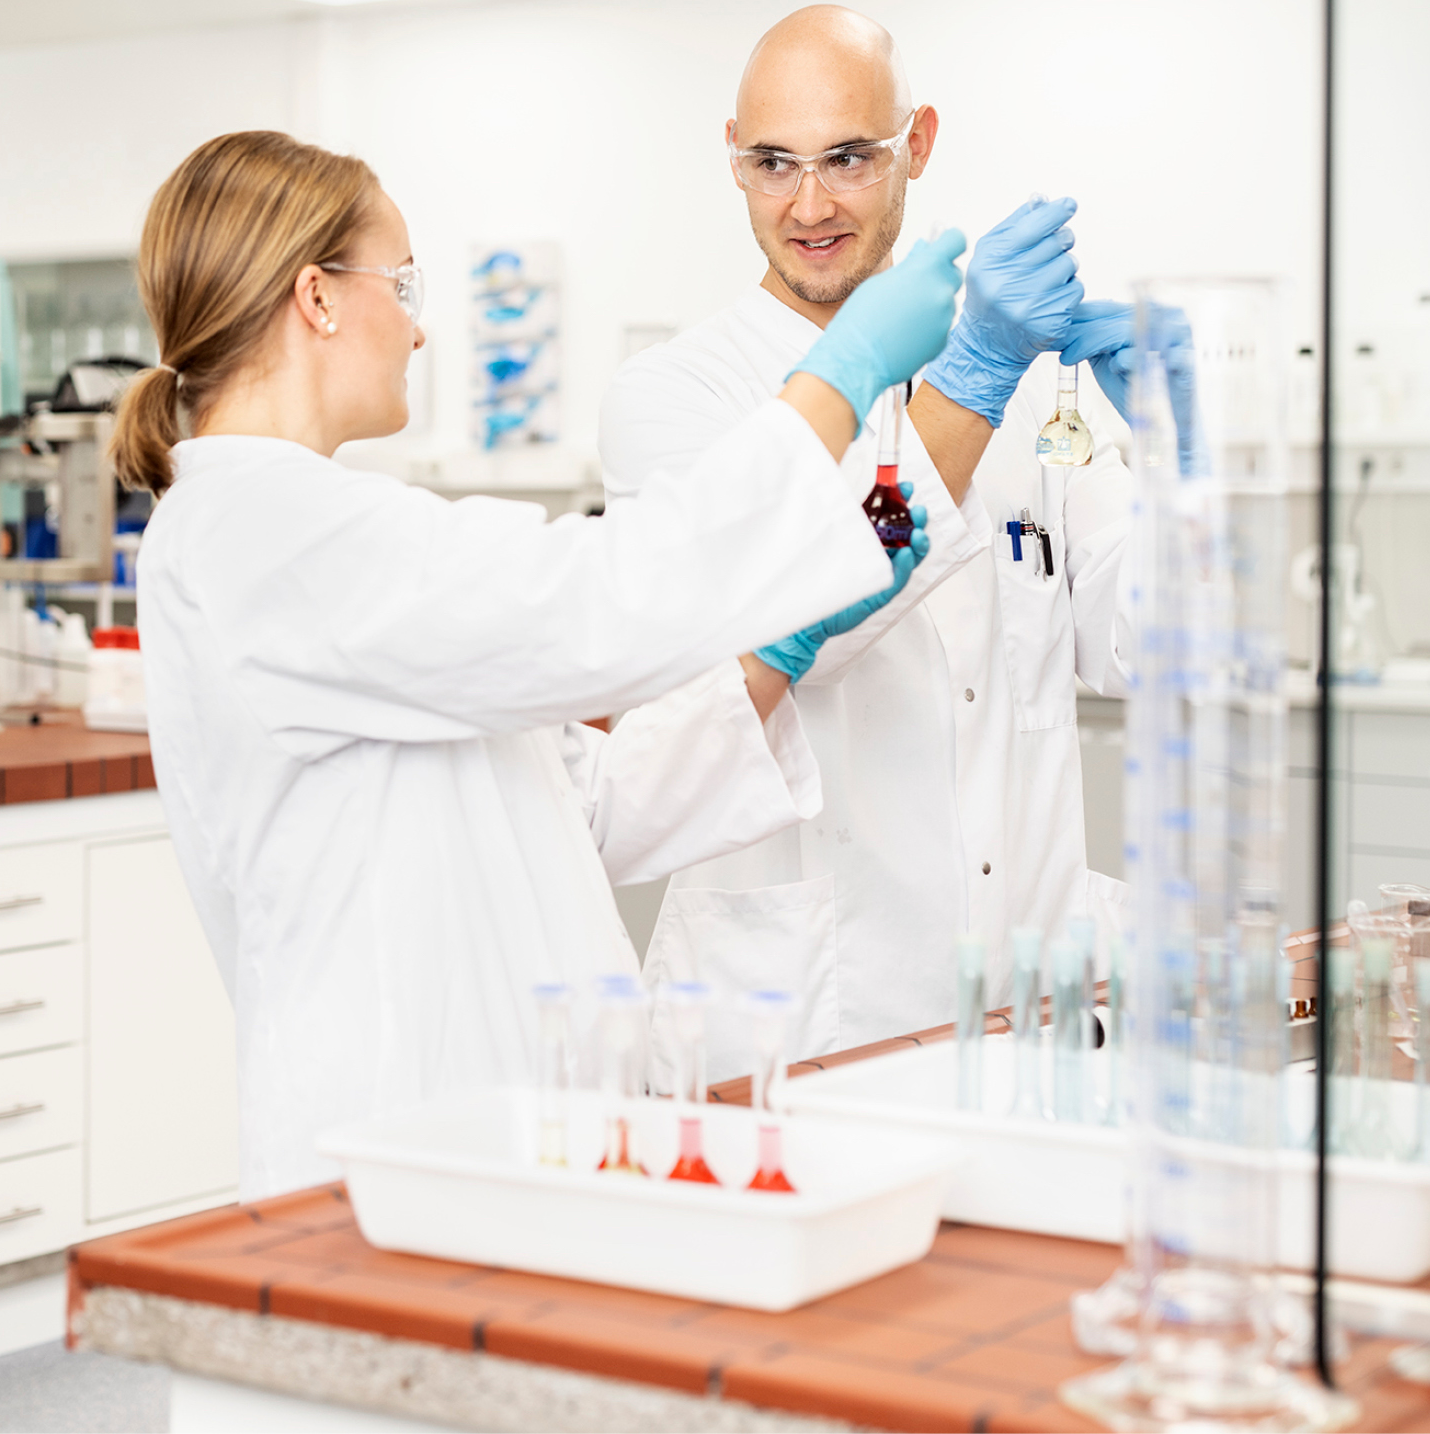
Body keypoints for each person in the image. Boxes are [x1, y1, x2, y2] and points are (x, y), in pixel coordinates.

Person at [110, 130, 967, 1199]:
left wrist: (776, 654)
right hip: (396, 1139)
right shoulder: (256, 529)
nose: (419, 328)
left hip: (515, 1129)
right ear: (317, 296)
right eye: (402, 283)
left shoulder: (331, 525)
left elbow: (588, 801)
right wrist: (831, 385)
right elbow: (594, 597)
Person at [599, 5, 1144, 1077]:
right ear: (733, 159)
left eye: (849, 157)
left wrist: (1190, 465)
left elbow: (1136, 649)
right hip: (803, 1015)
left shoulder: (1033, 385)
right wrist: (972, 380)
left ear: (918, 144)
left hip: (1032, 1002)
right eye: (772, 163)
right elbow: (795, 609)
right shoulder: (676, 398)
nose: (809, 204)